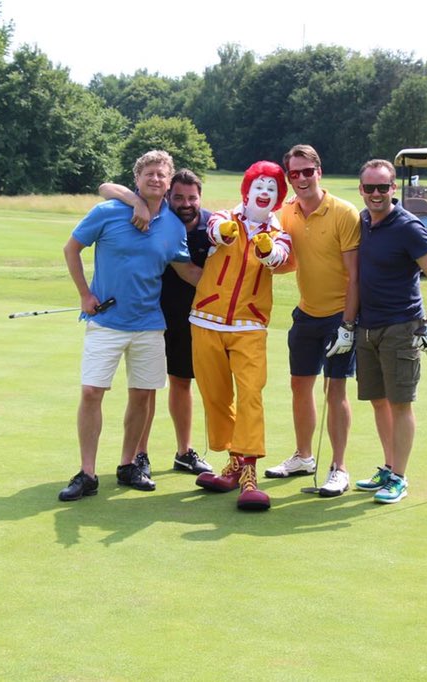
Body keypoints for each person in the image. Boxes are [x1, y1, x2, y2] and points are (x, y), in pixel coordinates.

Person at [58, 150, 201, 502]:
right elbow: (71, 249)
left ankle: (127, 464)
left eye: (161, 175)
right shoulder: (107, 212)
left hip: (149, 325)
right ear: (137, 179)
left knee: (142, 395)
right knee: (92, 392)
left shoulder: (172, 225)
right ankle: (88, 473)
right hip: (106, 321)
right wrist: (84, 294)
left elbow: (187, 270)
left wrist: (236, 279)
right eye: (149, 173)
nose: (155, 179)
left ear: (168, 184)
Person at [189, 161, 292, 511]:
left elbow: (278, 258)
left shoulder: (280, 233)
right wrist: (226, 233)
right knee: (215, 395)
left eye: (273, 189)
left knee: (250, 394)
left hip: (250, 325)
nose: (264, 193)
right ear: (247, 189)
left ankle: (248, 472)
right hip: (206, 319)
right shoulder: (222, 217)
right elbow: (215, 232)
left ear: (279, 198)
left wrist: (267, 250)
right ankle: (234, 462)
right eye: (260, 186)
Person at [97, 170, 214, 476]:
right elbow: (105, 186)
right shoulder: (152, 214)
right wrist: (134, 199)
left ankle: (184, 452)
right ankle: (140, 455)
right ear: (167, 196)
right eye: (178, 197)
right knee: (145, 388)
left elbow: (197, 272)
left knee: (181, 382)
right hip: (148, 315)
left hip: (188, 318)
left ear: (200, 197)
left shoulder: (214, 227)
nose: (186, 203)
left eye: (192, 197)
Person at [263, 144, 361, 498]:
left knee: (335, 389)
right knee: (299, 385)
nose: (301, 179)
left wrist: (348, 327)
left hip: (340, 315)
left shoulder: (344, 213)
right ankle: (304, 457)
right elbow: (290, 260)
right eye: (294, 174)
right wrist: (271, 259)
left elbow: (355, 275)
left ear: (319, 171)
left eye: (308, 171)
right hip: (307, 312)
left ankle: (339, 467)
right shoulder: (287, 212)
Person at [352, 159, 427, 504]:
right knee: (378, 401)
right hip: (367, 326)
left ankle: (400, 478)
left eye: (383, 187)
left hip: (401, 326)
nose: (376, 194)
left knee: (400, 403)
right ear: (361, 189)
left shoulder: (409, 227)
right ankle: (389, 467)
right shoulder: (362, 221)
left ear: (394, 189)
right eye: (369, 188)